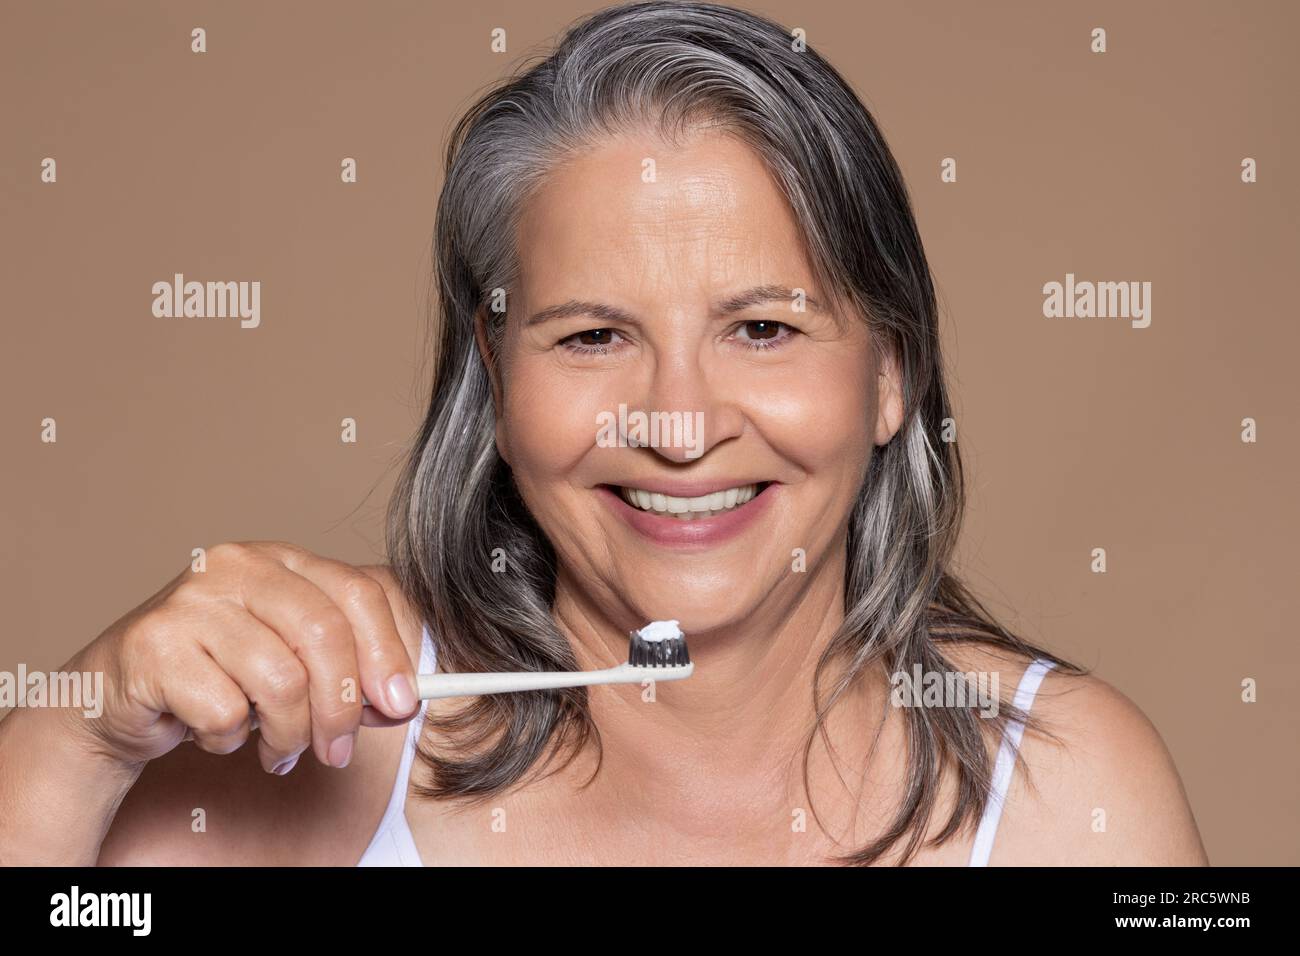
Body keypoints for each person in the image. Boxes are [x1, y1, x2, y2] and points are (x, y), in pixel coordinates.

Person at [0, 0, 1207, 866]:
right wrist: (75, 729)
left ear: (891, 372)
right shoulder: (327, 741)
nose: (679, 424)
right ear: (494, 375)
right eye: (590, 337)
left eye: (764, 329)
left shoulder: (1067, 786)